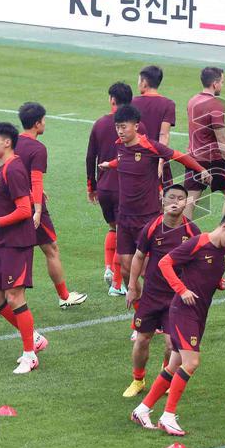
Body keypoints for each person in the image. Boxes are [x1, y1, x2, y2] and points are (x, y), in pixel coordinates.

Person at [130, 211, 225, 436]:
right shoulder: (198, 243)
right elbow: (165, 263)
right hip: (183, 312)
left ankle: (142, 410)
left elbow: (206, 277)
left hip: (199, 314)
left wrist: (219, 284)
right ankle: (168, 415)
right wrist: (181, 290)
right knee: (191, 363)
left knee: (174, 366)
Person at [100, 105, 208, 297]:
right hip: (124, 218)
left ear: (136, 126)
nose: (120, 131)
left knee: (146, 271)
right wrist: (110, 164)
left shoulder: (149, 146)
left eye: (124, 127)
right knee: (126, 270)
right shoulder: (120, 146)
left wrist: (201, 170)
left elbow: (178, 156)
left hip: (147, 218)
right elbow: (123, 160)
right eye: (118, 127)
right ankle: (141, 316)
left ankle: (159, 310)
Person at [0, 123, 49, 374]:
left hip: (17, 242)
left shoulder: (14, 169)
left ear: (7, 142)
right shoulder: (4, 168)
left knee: (15, 297)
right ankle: (34, 337)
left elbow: (24, 210)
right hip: (4, 241)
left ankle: (30, 355)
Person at [123, 185, 200, 398]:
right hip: (151, 295)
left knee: (170, 345)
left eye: (181, 198)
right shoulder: (152, 227)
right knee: (142, 340)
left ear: (187, 203)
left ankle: (163, 379)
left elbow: (201, 262)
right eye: (171, 198)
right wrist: (131, 287)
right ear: (163, 201)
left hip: (176, 298)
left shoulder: (192, 231)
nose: (176, 202)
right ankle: (138, 379)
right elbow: (138, 257)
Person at [15, 102, 86, 309]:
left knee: (13, 250)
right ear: (37, 123)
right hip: (29, 206)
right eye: (44, 120)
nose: (45, 123)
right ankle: (64, 296)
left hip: (10, 202)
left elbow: (11, 173)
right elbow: (35, 180)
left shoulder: (13, 143)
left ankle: (0, 300)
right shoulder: (37, 148)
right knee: (51, 249)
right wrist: (37, 209)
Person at [183, 67, 225, 247]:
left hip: (193, 157)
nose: (222, 85)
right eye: (222, 82)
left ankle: (182, 235)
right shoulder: (215, 105)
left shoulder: (192, 100)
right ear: (215, 83)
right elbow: (221, 137)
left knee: (191, 198)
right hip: (213, 160)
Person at [86, 82, 134, 291]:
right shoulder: (133, 127)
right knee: (125, 233)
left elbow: (90, 157)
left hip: (105, 187)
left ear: (112, 100)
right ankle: (116, 283)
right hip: (126, 188)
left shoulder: (99, 124)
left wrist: (91, 185)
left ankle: (108, 267)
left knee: (113, 227)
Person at [133, 65, 177, 189]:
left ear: (144, 82)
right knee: (164, 202)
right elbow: (164, 134)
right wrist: (161, 161)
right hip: (157, 158)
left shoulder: (132, 103)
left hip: (137, 159)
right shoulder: (168, 104)